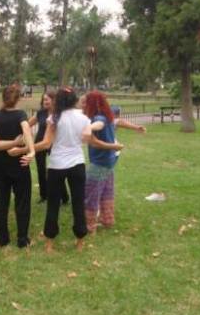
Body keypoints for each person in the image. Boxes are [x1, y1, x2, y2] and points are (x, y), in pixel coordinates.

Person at [10, 87, 122, 253]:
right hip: (78, 165)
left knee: (53, 205)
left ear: (59, 100)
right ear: (74, 100)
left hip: (57, 166)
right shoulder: (83, 117)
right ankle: (79, 243)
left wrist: (20, 150)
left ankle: (49, 244)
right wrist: (113, 146)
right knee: (78, 203)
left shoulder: (54, 118)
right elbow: (92, 141)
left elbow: (46, 144)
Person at [0, 85, 35, 248]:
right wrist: (31, 150)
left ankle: (3, 238)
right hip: (20, 164)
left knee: (2, 202)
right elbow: (26, 130)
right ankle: (22, 239)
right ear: (18, 99)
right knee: (22, 202)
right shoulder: (20, 114)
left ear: (3, 98)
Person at [83, 92, 127, 233]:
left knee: (91, 194)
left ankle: (90, 227)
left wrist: (90, 127)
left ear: (93, 103)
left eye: (86, 102)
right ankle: (107, 220)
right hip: (109, 161)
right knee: (106, 192)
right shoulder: (108, 116)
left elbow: (98, 124)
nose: (83, 105)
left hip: (100, 163)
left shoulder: (99, 118)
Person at [28, 91, 69, 204]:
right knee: (41, 170)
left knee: (57, 169)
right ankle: (44, 195)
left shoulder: (60, 114)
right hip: (40, 144)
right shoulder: (40, 113)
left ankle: (64, 196)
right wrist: (26, 134)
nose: (44, 102)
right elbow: (27, 124)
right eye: (43, 99)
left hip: (55, 144)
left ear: (54, 100)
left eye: (47, 99)